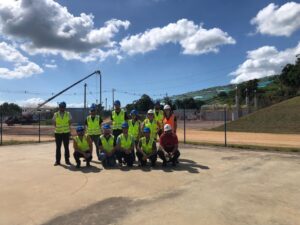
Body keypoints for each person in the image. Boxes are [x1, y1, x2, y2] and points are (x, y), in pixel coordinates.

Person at [52, 101, 72, 166]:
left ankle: (67, 160)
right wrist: (57, 128)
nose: (62, 108)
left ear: (65, 107)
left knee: (66, 147)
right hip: (58, 133)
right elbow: (54, 123)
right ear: (59, 107)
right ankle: (57, 161)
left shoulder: (68, 114)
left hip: (66, 133)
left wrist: (68, 130)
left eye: (63, 107)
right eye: (61, 107)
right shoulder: (56, 114)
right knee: (58, 147)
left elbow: (70, 122)